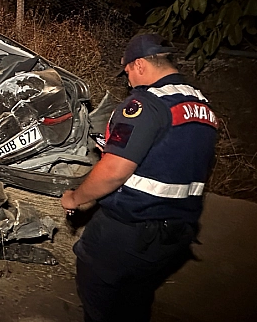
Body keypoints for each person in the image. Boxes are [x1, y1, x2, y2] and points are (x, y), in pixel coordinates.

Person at [61, 33, 218, 322]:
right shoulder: (202, 105)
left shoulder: (145, 105)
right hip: (174, 234)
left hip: (129, 231)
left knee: (99, 299)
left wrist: (75, 197)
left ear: (141, 64)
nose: (128, 80)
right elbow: (170, 157)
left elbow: (112, 173)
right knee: (135, 300)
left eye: (128, 71)